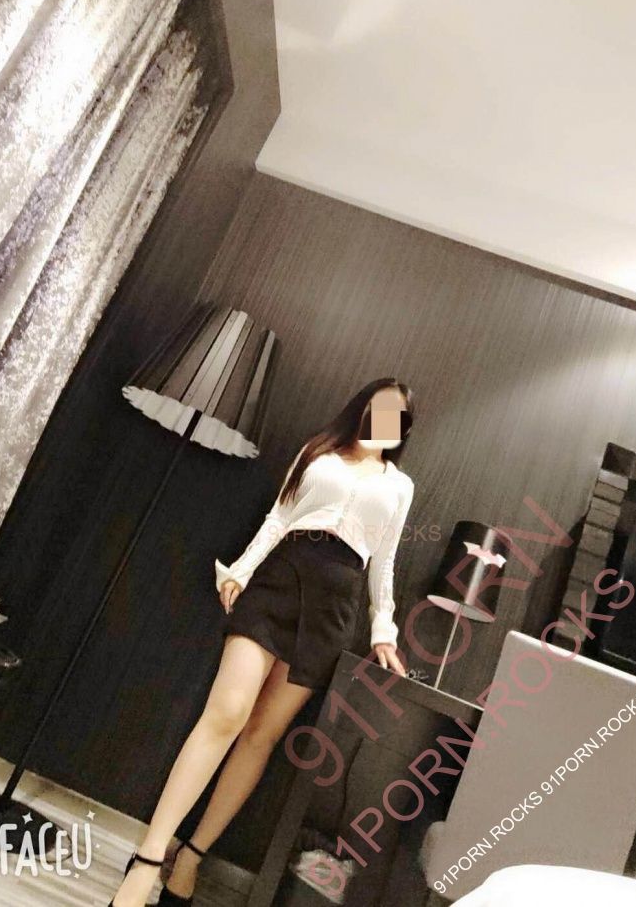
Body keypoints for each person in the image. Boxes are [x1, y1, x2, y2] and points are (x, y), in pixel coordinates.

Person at [109, 377, 415, 906]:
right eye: (378, 407)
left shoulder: (399, 485)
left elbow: (384, 561)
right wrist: (242, 571)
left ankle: (192, 856)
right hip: (279, 581)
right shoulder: (318, 451)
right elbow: (278, 518)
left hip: (334, 607)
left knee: (260, 736)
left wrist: (384, 630)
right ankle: (149, 857)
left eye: (397, 415)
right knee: (226, 713)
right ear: (362, 408)